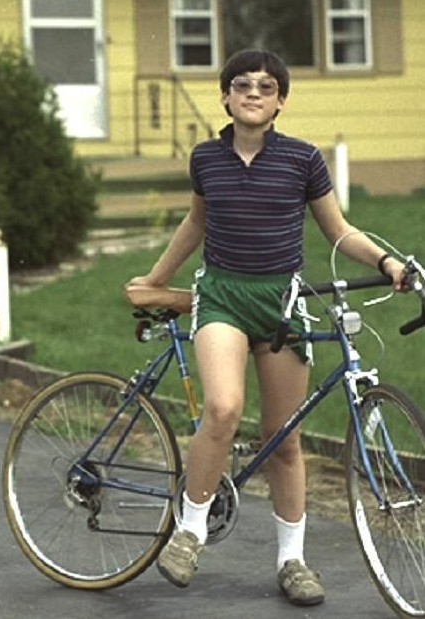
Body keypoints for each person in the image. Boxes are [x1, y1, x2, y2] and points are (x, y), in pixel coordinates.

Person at [127, 50, 406, 606]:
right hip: (224, 297)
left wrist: (387, 262)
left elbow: (339, 231)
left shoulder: (303, 159)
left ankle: (292, 560)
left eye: (266, 85)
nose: (253, 92)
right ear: (226, 97)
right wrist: (156, 278)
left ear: (281, 99)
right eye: (241, 84)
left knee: (284, 439)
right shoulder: (206, 157)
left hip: (283, 302)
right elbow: (197, 221)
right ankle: (191, 529)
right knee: (224, 408)